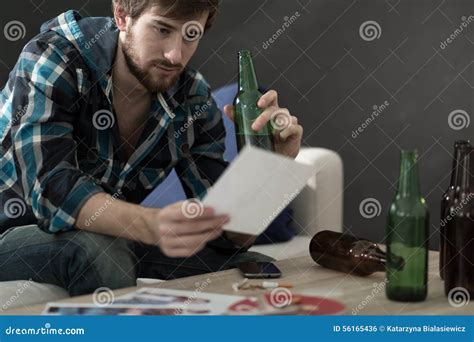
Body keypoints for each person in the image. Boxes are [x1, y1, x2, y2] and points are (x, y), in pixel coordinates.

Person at [0, 0, 303, 296]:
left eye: (190, 35)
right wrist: (152, 224)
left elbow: (228, 236)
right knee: (100, 249)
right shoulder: (54, 58)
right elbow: (52, 192)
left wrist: (275, 164)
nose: (174, 55)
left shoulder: (190, 99)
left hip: (109, 234)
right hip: (12, 229)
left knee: (252, 266)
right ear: (122, 15)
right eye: (162, 30)